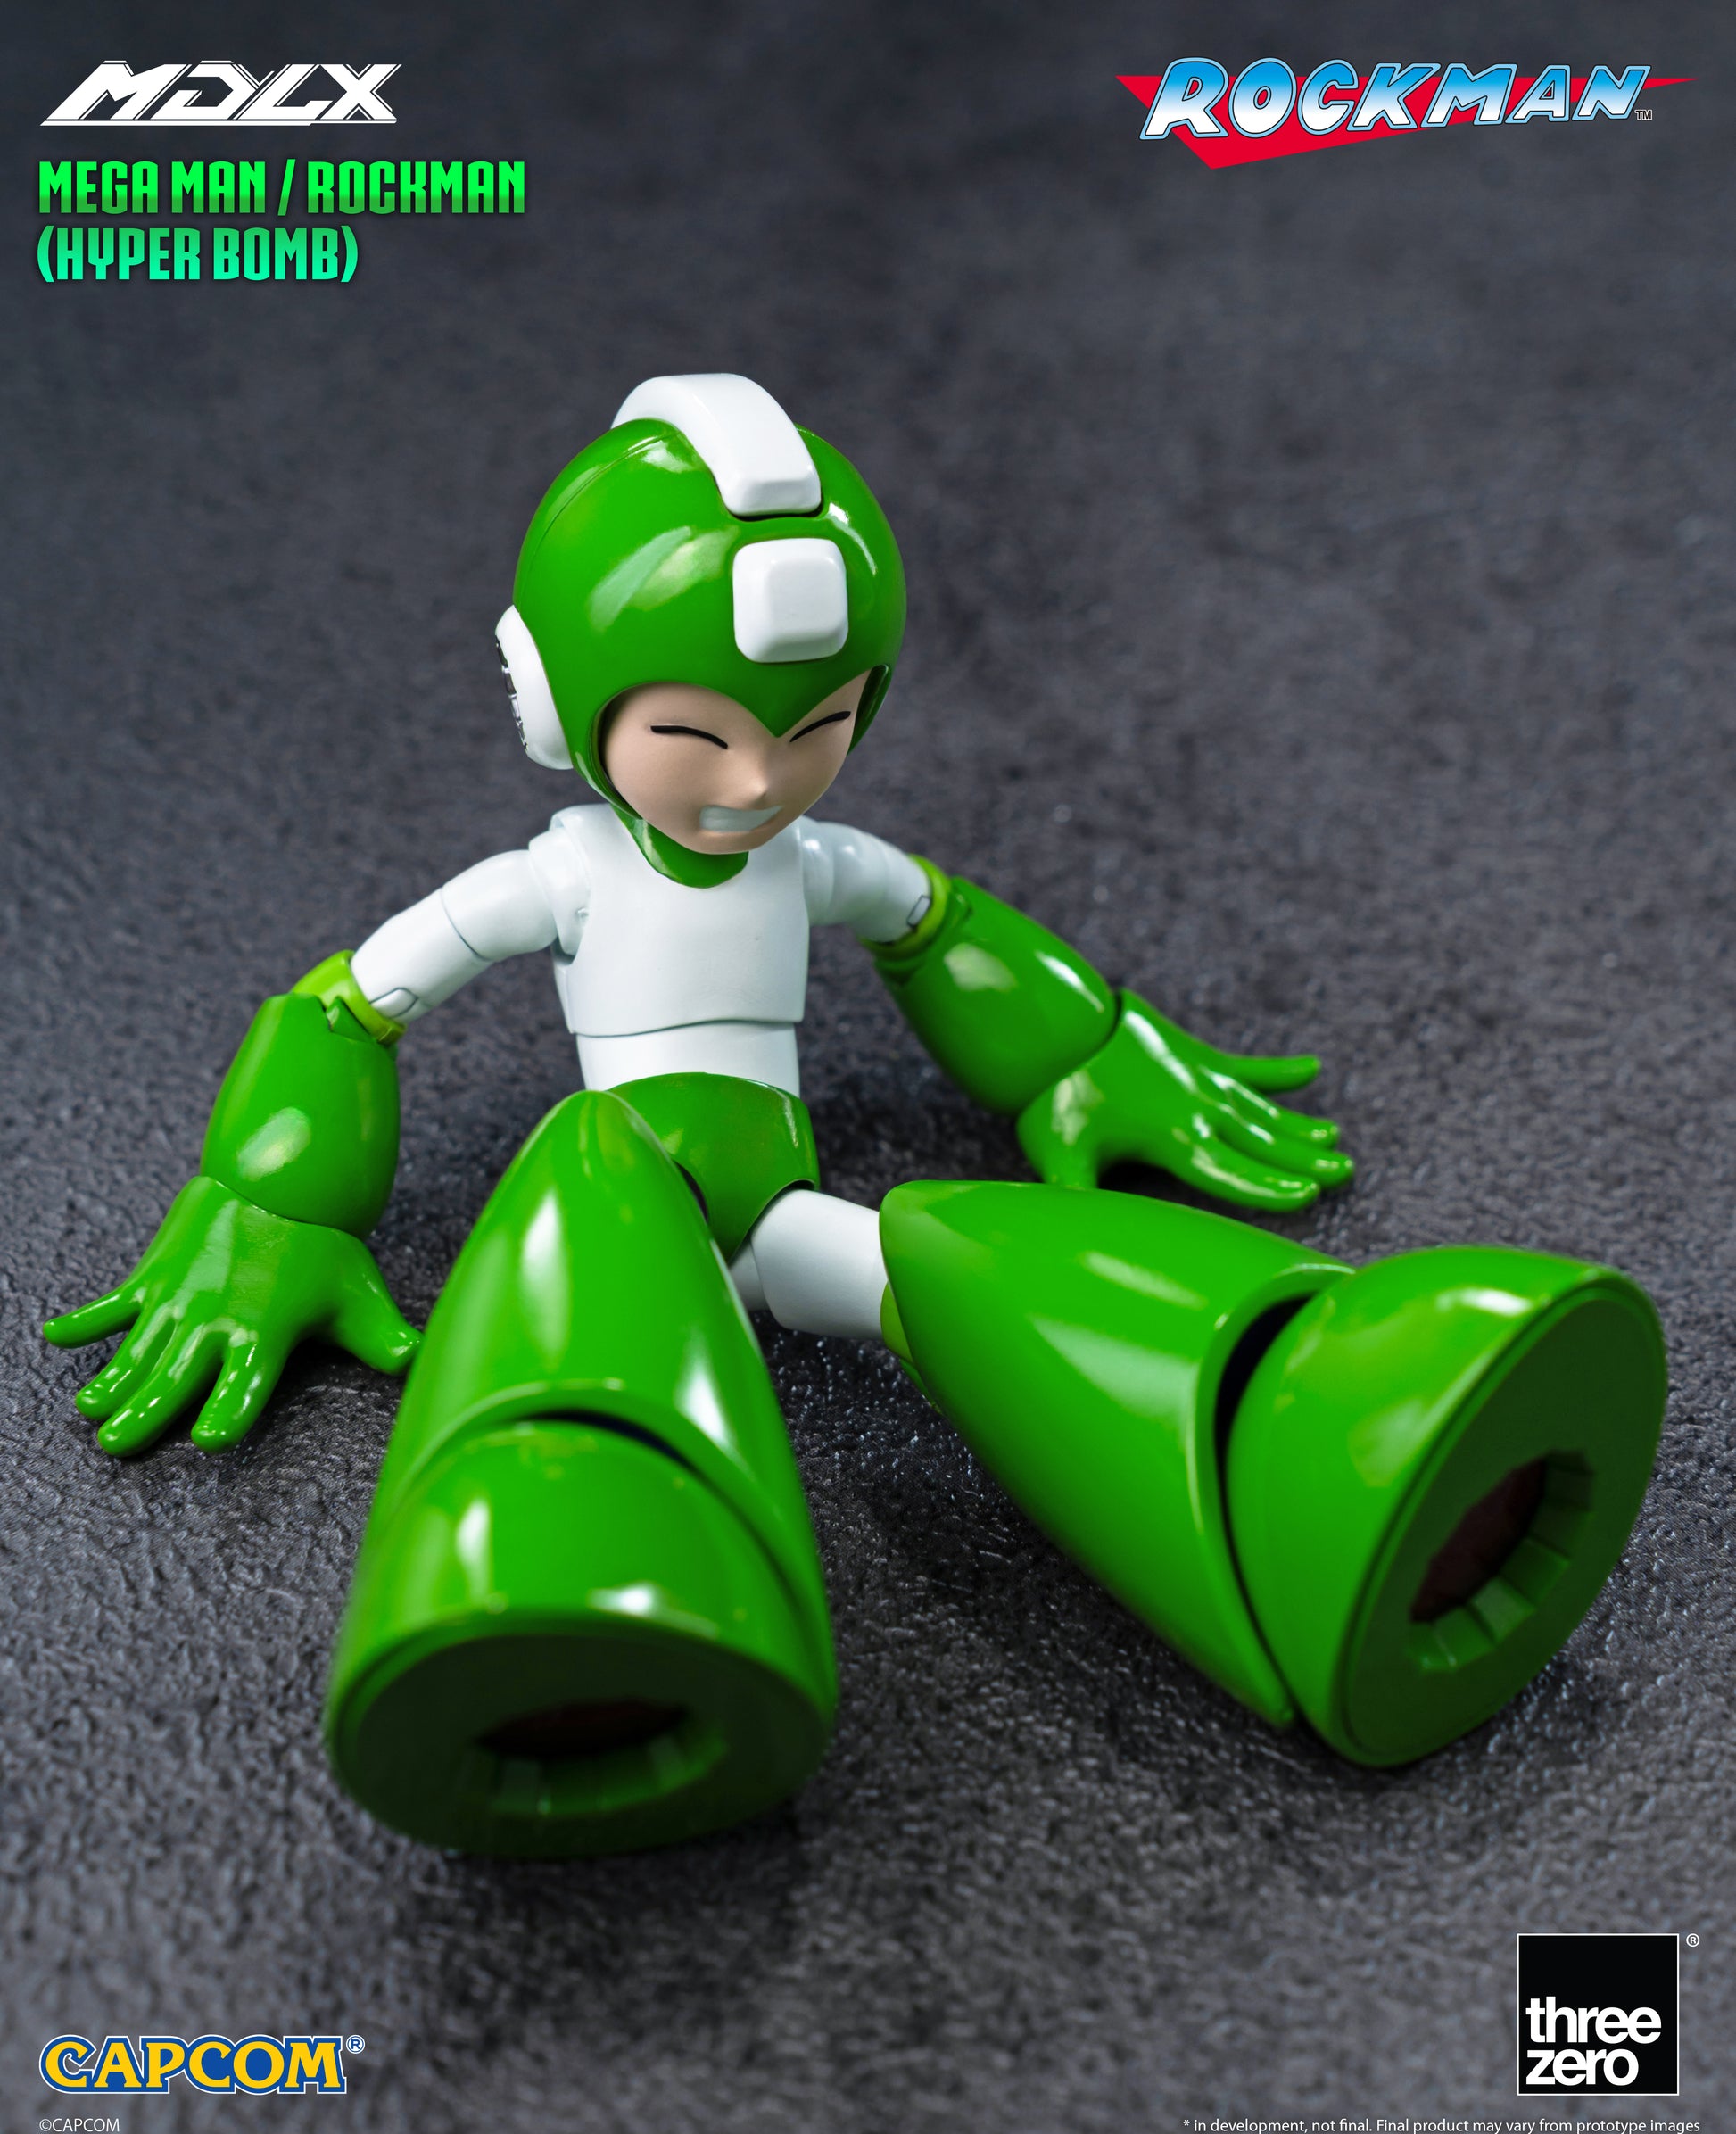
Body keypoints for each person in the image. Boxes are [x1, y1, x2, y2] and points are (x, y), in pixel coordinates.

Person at [44, 376, 1666, 1857]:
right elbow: (351, 1005)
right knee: (583, 1219)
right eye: (697, 736)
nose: (757, 784)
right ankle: (558, 1564)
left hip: (787, 1222)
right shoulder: (559, 875)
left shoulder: (807, 861)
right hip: (626, 1199)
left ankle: (1294, 1445)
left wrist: (1086, 1050)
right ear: (552, 705)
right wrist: (272, 1198)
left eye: (815, 732)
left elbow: (939, 929)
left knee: (953, 1264)